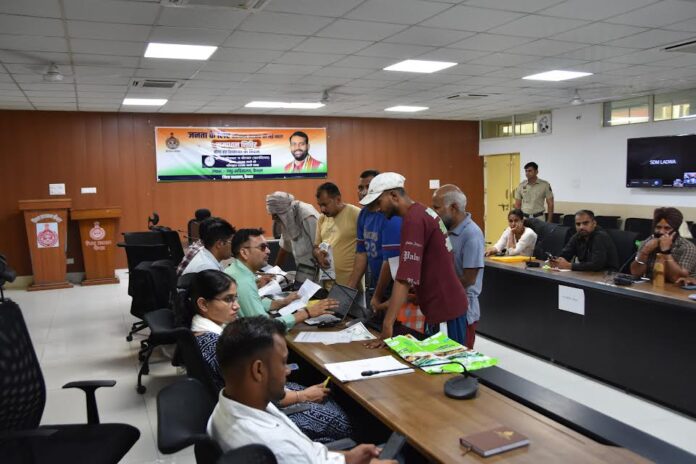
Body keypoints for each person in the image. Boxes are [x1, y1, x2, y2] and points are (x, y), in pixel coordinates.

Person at [179, 273, 351, 444]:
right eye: (228, 299)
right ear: (203, 304)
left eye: (236, 298)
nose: (236, 306)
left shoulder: (201, 332)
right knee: (342, 422)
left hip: (247, 409)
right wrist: (302, 396)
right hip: (258, 413)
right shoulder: (216, 345)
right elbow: (257, 394)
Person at [208, 316, 396, 463]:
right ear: (258, 370)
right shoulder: (275, 446)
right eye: (283, 363)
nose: (288, 371)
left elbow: (310, 454)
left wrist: (347, 458)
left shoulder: (232, 404)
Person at [360, 173, 469, 347]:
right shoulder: (420, 212)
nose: (378, 209)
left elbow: (404, 278)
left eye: (379, 202)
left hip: (445, 311)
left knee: (448, 362)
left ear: (394, 196)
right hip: (440, 306)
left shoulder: (413, 220)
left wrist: (387, 325)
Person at [227, 228, 339, 328]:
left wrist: (283, 302)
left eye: (267, 247)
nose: (268, 251)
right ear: (244, 252)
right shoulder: (243, 282)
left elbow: (253, 303)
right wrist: (307, 313)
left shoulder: (236, 271)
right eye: (262, 247)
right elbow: (265, 328)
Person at [432, 185, 484, 349]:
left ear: (453, 208)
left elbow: (469, 279)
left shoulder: (472, 234)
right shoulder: (445, 229)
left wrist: (438, 291)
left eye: (437, 208)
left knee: (461, 355)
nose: (434, 213)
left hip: (463, 308)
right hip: (446, 303)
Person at [347, 170, 402, 307]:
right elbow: (361, 254)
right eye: (360, 187)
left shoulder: (391, 215)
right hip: (375, 282)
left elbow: (390, 261)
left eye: (369, 187)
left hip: (395, 284)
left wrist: (377, 296)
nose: (364, 191)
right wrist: (348, 292)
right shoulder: (363, 214)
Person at [313, 183, 362, 287]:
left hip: (350, 287)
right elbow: (316, 246)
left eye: (325, 204)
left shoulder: (356, 214)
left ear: (338, 200)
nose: (322, 209)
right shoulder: (322, 218)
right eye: (320, 205)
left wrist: (352, 285)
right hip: (327, 285)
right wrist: (317, 254)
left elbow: (365, 253)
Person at [630, 207, 696, 283]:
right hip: (651, 286)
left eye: (667, 228)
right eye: (658, 227)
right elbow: (635, 273)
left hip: (678, 289)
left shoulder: (687, 247)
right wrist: (645, 251)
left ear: (675, 230)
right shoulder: (648, 242)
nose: (661, 231)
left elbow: (676, 279)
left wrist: (666, 252)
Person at [550, 210, 619, 272]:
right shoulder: (577, 236)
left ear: (594, 223)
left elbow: (597, 265)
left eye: (585, 223)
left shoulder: (600, 236)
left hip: (606, 274)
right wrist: (557, 261)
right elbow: (566, 254)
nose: (581, 227)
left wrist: (569, 266)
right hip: (586, 272)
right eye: (578, 224)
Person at [266, 191, 320, 269]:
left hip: (318, 268)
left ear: (282, 212)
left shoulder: (308, 216)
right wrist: (275, 271)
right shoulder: (287, 217)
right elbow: (284, 247)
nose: (273, 218)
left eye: (275, 215)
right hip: (303, 269)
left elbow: (319, 247)